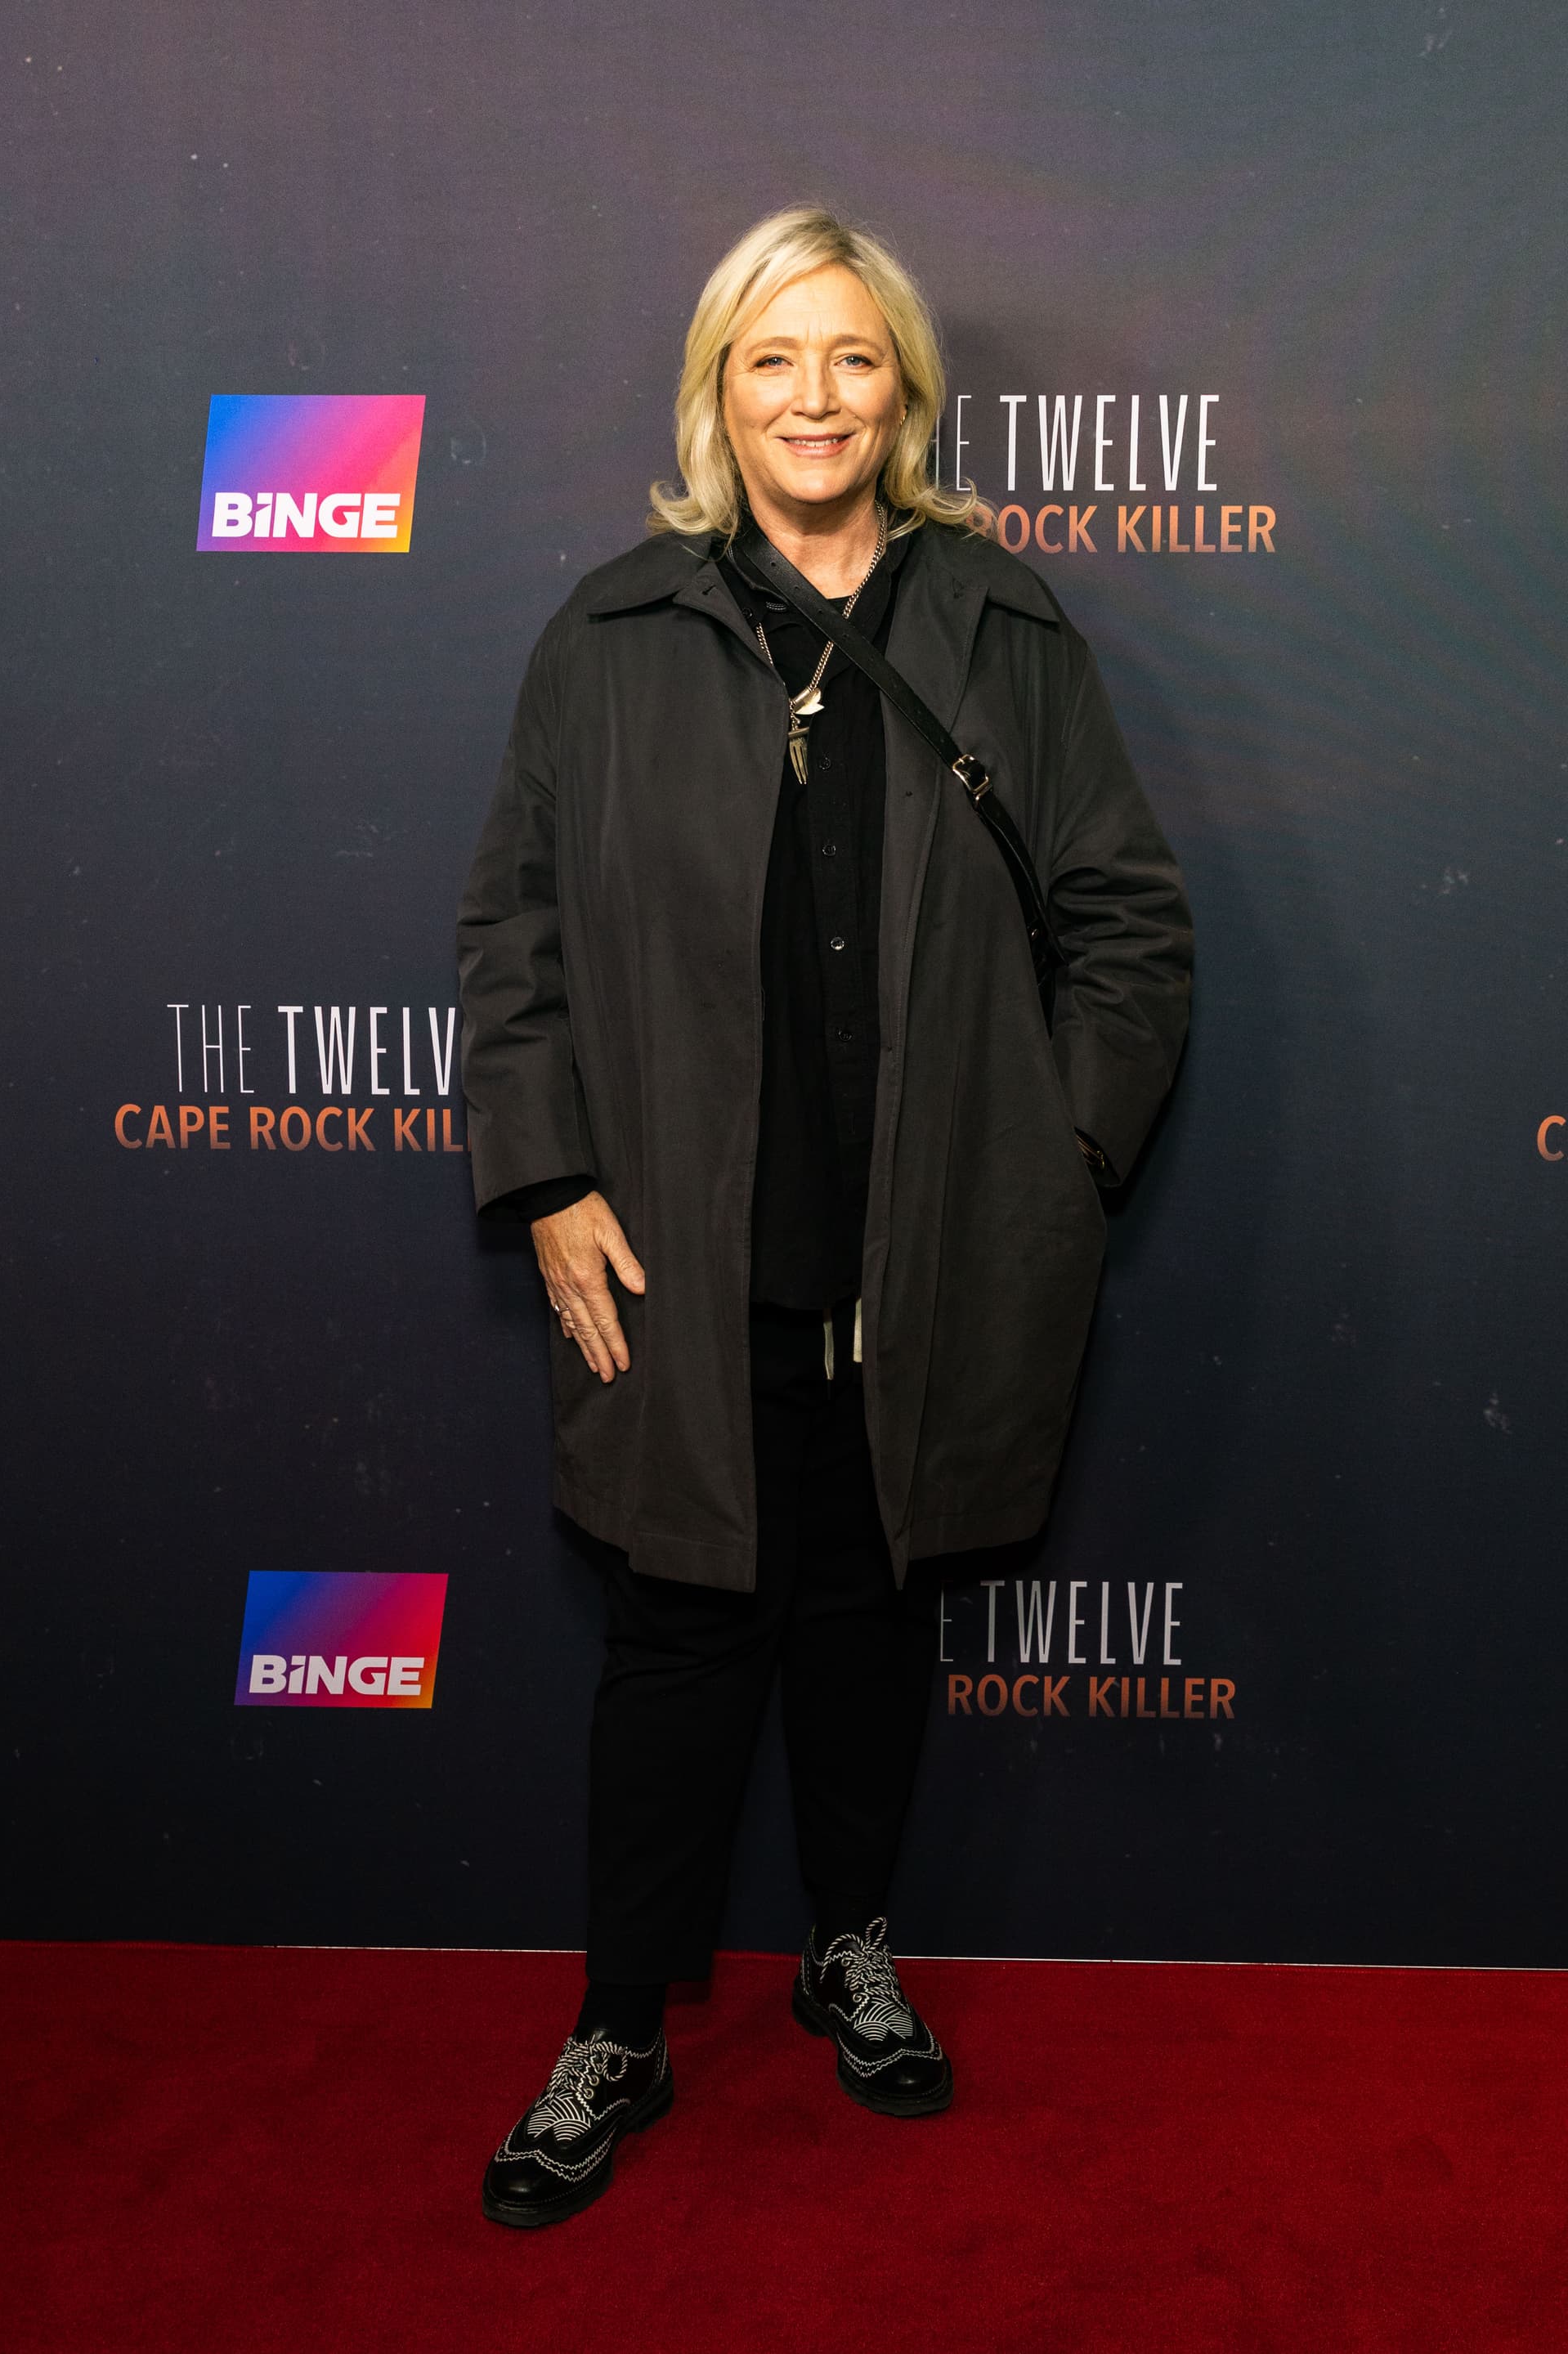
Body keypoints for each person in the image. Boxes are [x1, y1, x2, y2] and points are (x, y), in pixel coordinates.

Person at [456, 204, 1192, 2229]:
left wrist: (1060, 1170)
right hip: (689, 1270)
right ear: (720, 390)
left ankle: (848, 1947)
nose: (815, 397)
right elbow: (513, 933)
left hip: (931, 1257)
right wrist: (547, 1178)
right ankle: (619, 2028)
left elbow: (1129, 928)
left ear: (903, 393)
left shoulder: (1004, 625)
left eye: (853, 357)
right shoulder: (612, 635)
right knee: (680, 1648)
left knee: (875, 1630)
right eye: (773, 358)